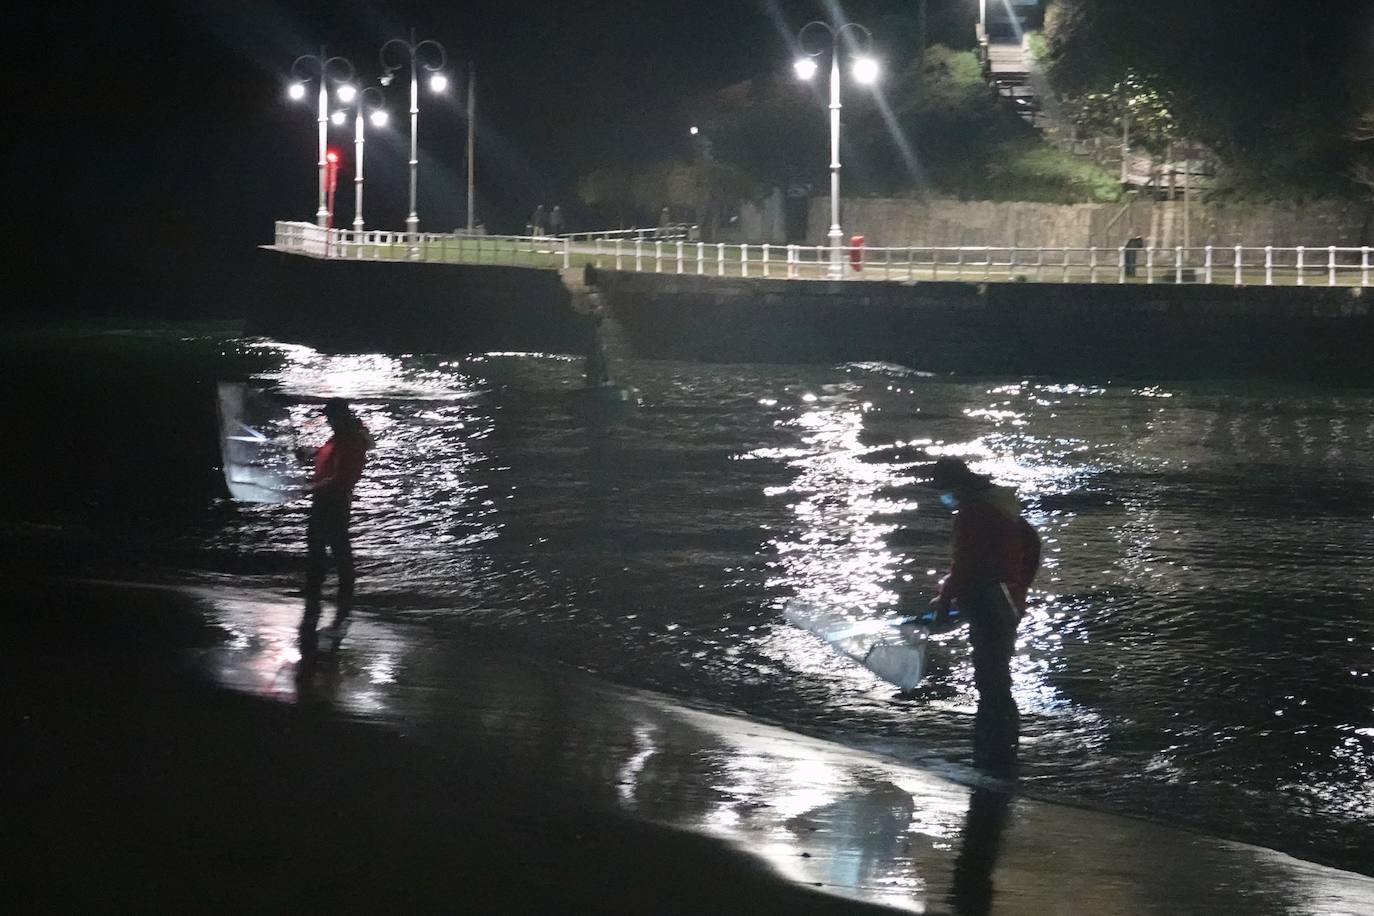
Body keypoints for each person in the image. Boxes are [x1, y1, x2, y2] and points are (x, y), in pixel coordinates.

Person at [927, 457, 1041, 773]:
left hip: (986, 601)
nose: (945, 497)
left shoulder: (972, 515)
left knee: (989, 678)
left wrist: (944, 601)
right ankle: (1006, 748)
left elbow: (964, 564)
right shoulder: (1001, 507)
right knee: (999, 674)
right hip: (1007, 601)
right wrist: (1020, 587)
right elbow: (1032, 545)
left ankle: (992, 755)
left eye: (945, 491)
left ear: (956, 487)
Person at [298, 398, 374, 648]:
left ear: (339, 416)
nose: (328, 421)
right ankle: (330, 590)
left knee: (331, 543)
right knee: (328, 543)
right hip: (328, 497)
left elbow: (343, 477)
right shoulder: (343, 437)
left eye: (330, 416)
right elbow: (330, 458)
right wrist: (311, 453)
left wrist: (312, 487)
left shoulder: (349, 440)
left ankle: (334, 591)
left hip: (334, 499)